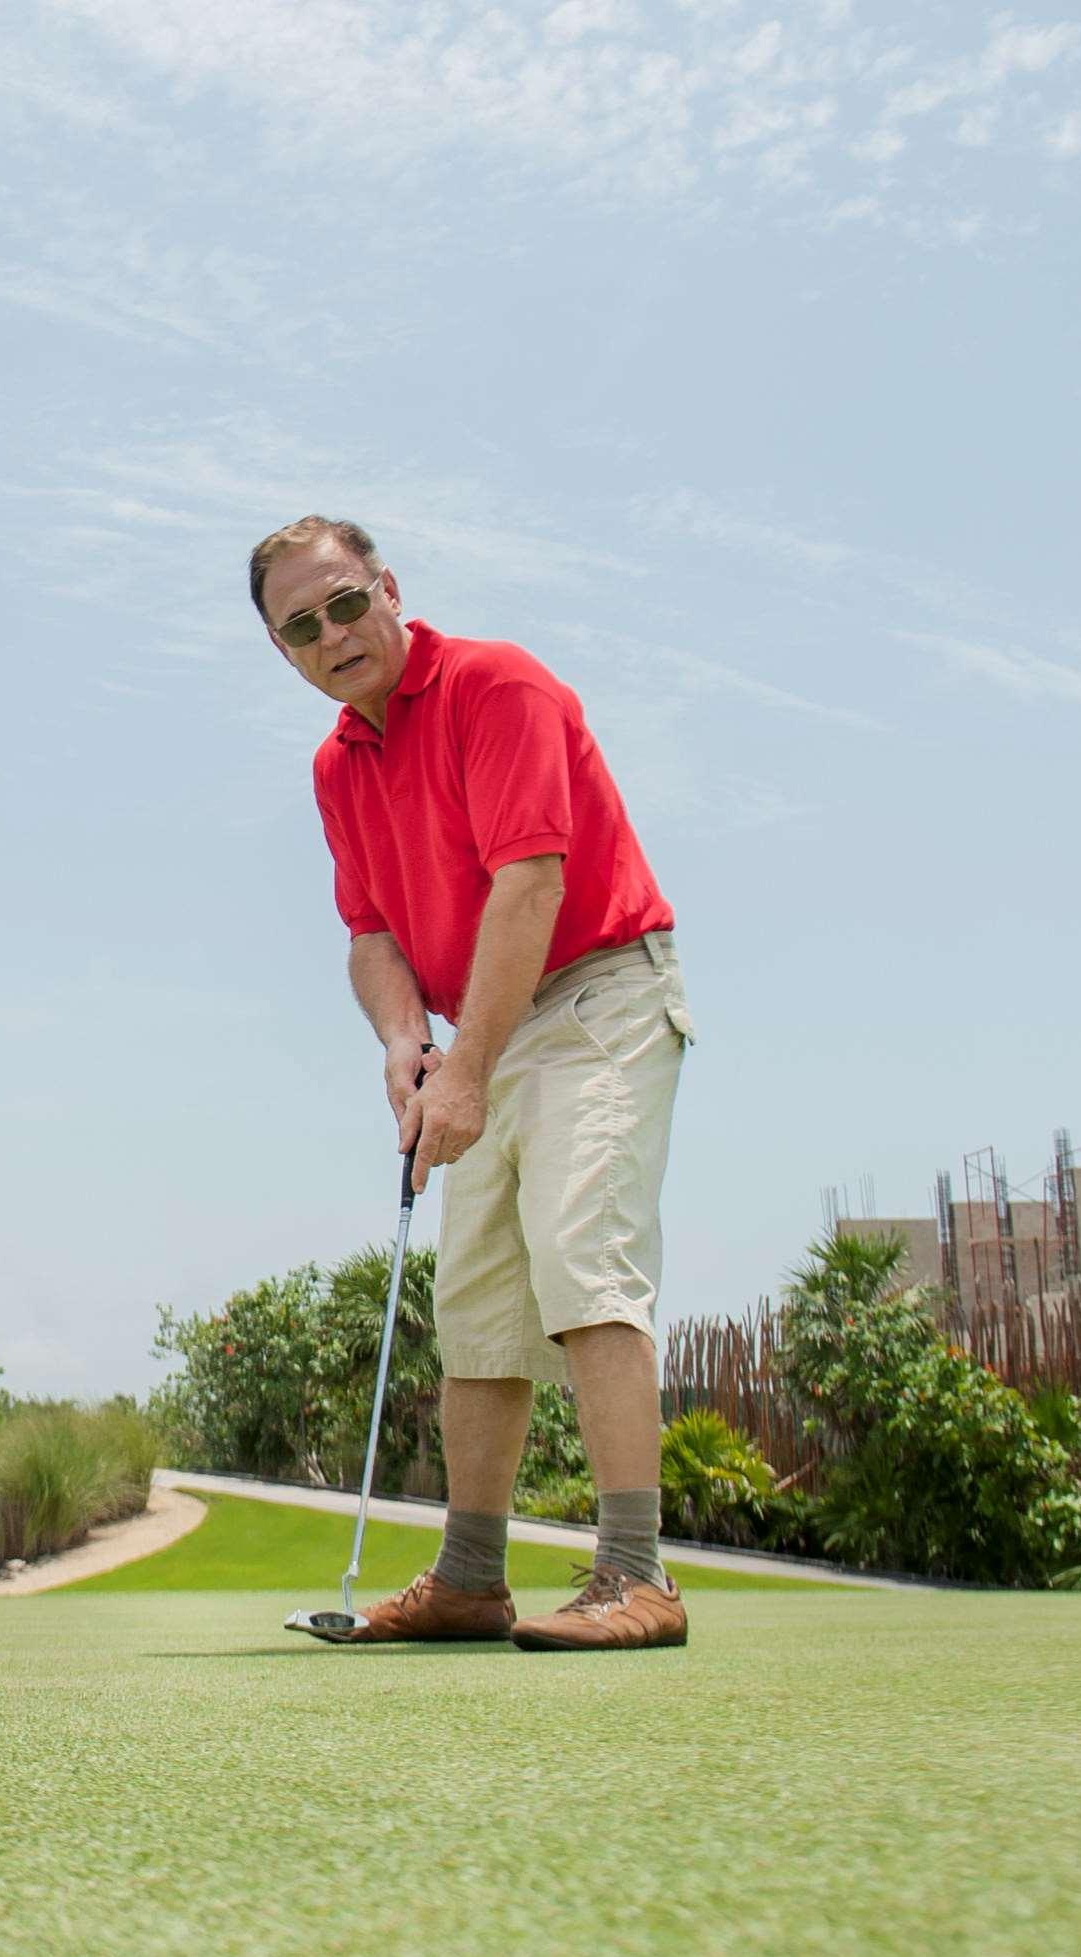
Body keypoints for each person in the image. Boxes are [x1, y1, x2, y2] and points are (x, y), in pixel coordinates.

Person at [252, 516, 695, 1652]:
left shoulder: (497, 686)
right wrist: (404, 1041)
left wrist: (469, 1071)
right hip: (486, 1023)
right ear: (284, 652)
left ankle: (637, 1576)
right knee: (478, 1304)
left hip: (597, 993)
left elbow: (530, 884)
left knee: (579, 1255)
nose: (333, 634)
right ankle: (470, 1577)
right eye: (301, 627)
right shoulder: (336, 765)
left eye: (346, 603)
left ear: (390, 589)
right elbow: (370, 933)